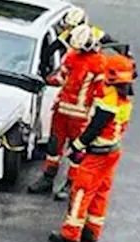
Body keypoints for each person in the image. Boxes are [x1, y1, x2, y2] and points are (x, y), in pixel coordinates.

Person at [50, 53, 135, 242]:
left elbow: (95, 128)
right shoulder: (124, 98)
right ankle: (92, 231)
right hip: (112, 152)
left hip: (98, 153)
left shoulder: (109, 101)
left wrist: (77, 146)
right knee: (101, 191)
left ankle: (71, 234)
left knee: (81, 190)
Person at [27, 25, 106, 195]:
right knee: (54, 146)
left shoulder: (99, 63)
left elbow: (100, 93)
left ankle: (71, 183)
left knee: (77, 150)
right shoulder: (71, 56)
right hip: (61, 112)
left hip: (81, 116)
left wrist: (93, 115)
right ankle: (48, 178)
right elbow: (62, 77)